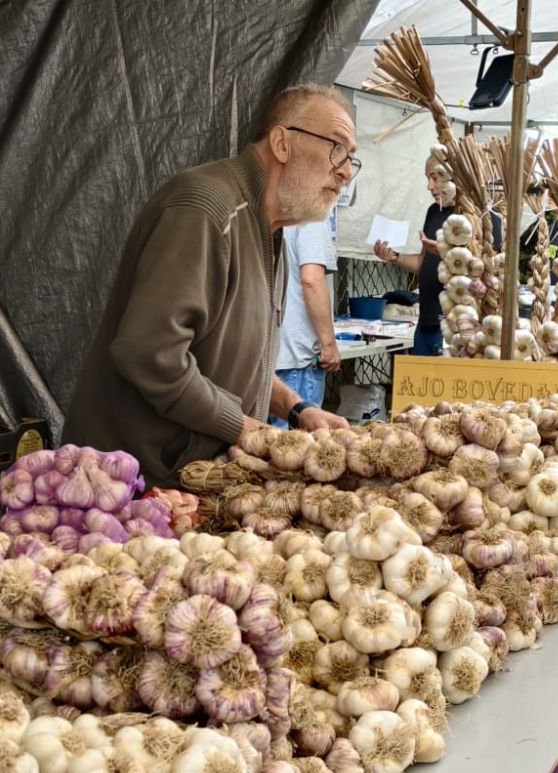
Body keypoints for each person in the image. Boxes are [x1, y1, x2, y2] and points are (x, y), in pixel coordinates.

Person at [63, 85, 351, 487]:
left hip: (191, 481)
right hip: (131, 486)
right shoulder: (205, 209)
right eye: (336, 148)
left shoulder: (270, 230)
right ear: (282, 143)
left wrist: (297, 409)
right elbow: (150, 354)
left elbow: (232, 364)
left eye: (352, 158)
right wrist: (246, 429)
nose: (346, 171)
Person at [372, 154, 454, 357]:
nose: (429, 186)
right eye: (428, 178)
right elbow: (422, 263)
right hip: (425, 323)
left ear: (453, 175)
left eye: (435, 178)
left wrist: (444, 252)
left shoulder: (476, 216)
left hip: (453, 327)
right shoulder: (434, 211)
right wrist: (394, 257)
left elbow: (483, 272)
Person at [273, 213, 340, 428]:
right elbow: (312, 279)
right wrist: (328, 344)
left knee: (265, 441)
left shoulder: (270, 213)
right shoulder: (312, 219)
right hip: (297, 358)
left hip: (268, 356)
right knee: (298, 442)